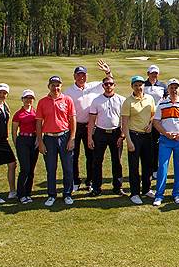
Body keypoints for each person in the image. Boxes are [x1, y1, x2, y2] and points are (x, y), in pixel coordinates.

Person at [63, 60, 111, 192]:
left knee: (91, 155)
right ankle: (75, 181)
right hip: (75, 127)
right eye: (78, 75)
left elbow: (109, 83)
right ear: (74, 76)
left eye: (83, 75)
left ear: (86, 76)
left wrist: (107, 71)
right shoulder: (68, 91)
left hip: (91, 127)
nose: (81, 77)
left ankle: (89, 181)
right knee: (74, 155)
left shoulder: (94, 86)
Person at [35, 76, 77, 207]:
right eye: (53, 85)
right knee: (51, 168)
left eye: (58, 85)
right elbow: (38, 123)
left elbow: (72, 120)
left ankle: (67, 194)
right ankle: (51, 195)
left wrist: (72, 138)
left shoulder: (67, 100)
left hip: (64, 137)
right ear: (49, 86)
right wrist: (40, 141)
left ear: (61, 86)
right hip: (48, 138)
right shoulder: (42, 102)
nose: (56, 87)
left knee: (68, 168)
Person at [152, 79, 179, 206]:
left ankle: (177, 193)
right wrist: (165, 133)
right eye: (172, 87)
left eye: (176, 88)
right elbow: (156, 122)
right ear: (168, 89)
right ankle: (159, 195)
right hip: (165, 139)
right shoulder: (162, 104)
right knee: (162, 167)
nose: (174, 90)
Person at [87, 76, 126, 197]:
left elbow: (125, 120)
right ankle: (96, 188)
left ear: (114, 85)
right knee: (97, 161)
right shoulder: (96, 100)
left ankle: (117, 187)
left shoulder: (121, 100)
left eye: (111, 84)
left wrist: (123, 135)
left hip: (116, 133)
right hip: (100, 133)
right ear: (103, 86)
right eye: (106, 84)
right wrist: (89, 137)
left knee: (117, 161)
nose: (108, 86)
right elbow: (92, 120)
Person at [120, 75, 156, 205]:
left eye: (140, 85)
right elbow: (124, 124)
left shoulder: (150, 99)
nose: (138, 87)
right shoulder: (128, 101)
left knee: (148, 164)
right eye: (136, 85)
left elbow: (153, 115)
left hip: (147, 136)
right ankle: (135, 192)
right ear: (132, 87)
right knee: (134, 166)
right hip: (134, 136)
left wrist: (151, 125)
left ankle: (146, 189)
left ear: (143, 86)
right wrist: (128, 141)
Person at [12, 89, 39, 204]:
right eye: (26, 98)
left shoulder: (36, 112)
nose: (28, 100)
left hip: (34, 140)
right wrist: (16, 144)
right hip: (22, 140)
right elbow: (14, 131)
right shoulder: (18, 114)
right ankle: (21, 194)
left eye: (31, 98)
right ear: (22, 99)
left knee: (31, 170)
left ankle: (28, 193)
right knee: (25, 169)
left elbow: (39, 127)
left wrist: (38, 139)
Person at [143, 64, 167, 186]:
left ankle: (156, 169)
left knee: (157, 145)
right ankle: (149, 169)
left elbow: (166, 100)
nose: (154, 75)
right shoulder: (143, 85)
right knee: (148, 145)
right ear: (148, 74)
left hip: (159, 119)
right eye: (152, 73)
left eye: (156, 73)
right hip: (145, 119)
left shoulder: (162, 86)